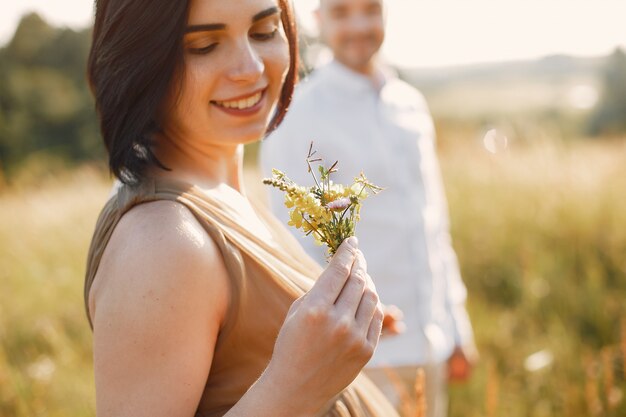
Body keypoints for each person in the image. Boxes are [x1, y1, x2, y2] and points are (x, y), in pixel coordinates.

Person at [83, 0, 401, 416]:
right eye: (204, 45)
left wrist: (342, 328)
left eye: (264, 32)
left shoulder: (221, 192)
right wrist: (294, 386)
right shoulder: (162, 244)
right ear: (141, 58)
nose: (250, 68)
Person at [260, 0, 477, 416]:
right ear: (319, 19)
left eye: (370, 9)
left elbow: (432, 225)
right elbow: (293, 244)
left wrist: (455, 327)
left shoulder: (410, 104)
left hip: (430, 345)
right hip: (359, 358)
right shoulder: (296, 114)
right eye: (342, 12)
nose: (359, 25)